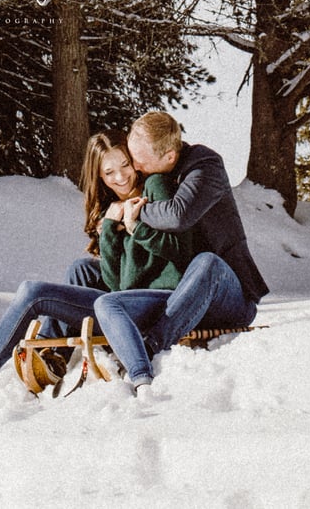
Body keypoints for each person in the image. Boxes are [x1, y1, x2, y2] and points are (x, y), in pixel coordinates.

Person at [0, 130, 192, 407]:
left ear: (135, 161)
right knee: (80, 269)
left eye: (125, 165)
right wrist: (111, 227)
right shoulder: (114, 208)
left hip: (144, 308)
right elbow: (116, 279)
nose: (121, 177)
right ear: (99, 176)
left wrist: (117, 228)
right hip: (126, 300)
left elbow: (127, 283)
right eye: (109, 172)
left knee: (34, 292)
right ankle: (51, 357)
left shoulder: (152, 195)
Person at [93, 111, 269, 391]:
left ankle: (151, 347)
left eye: (139, 161)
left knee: (207, 262)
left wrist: (135, 213)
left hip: (227, 294)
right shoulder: (160, 174)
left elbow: (178, 215)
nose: (135, 168)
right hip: (186, 297)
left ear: (169, 158)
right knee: (84, 270)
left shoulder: (204, 166)